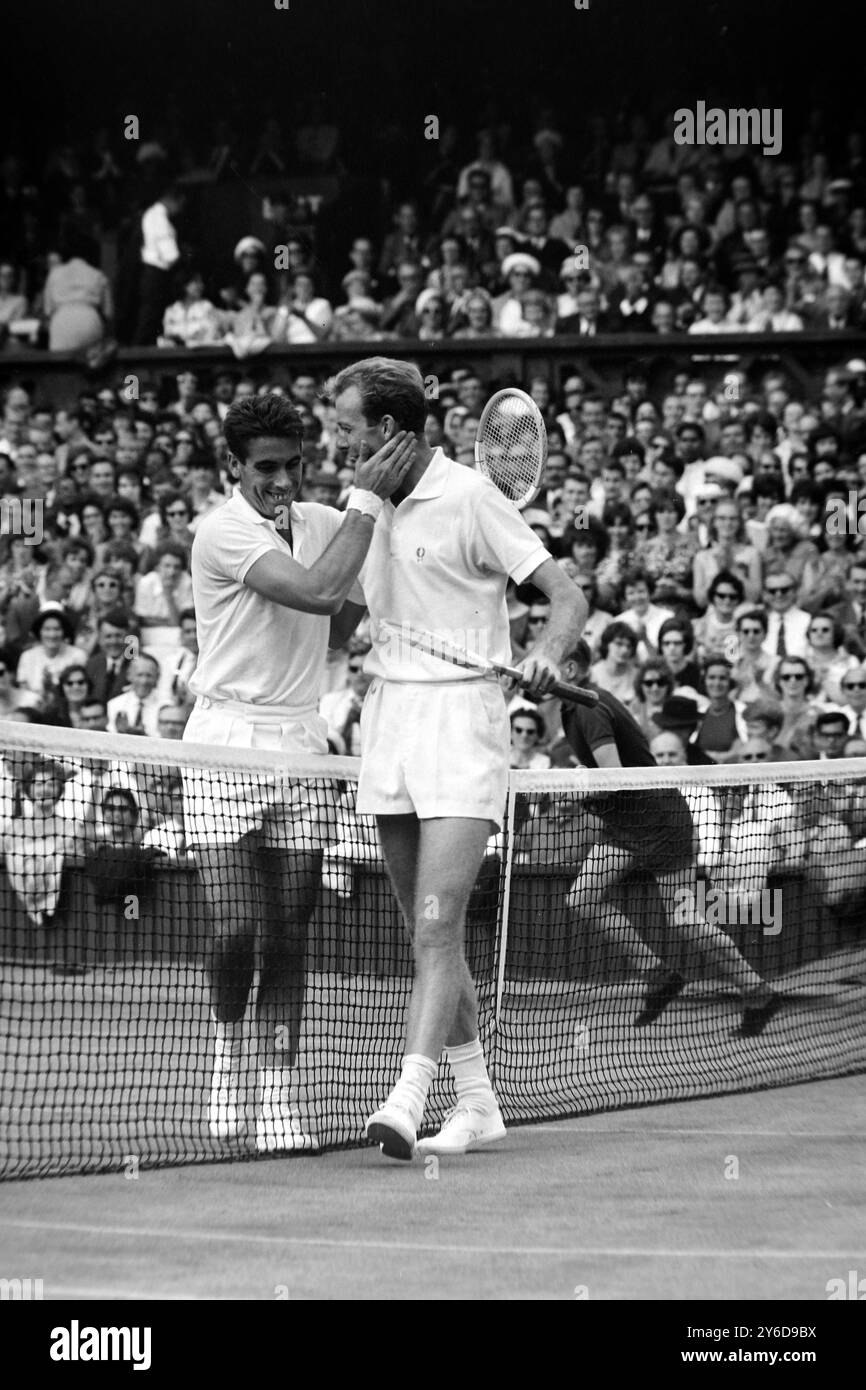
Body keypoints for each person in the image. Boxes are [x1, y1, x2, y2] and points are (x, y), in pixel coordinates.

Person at [330, 356, 585, 1160]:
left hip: (462, 721)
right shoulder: (360, 505)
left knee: (439, 927)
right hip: (390, 722)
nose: (338, 442)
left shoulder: (473, 499)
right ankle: (478, 1101)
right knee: (426, 933)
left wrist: (547, 651)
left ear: (390, 430)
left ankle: (407, 1098)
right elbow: (337, 623)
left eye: (347, 428)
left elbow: (568, 596)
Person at [183, 392, 417, 1153]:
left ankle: (279, 1089)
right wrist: (365, 504)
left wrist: (375, 607)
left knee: (289, 930)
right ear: (233, 468)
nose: (283, 480)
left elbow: (338, 616)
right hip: (225, 740)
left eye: (293, 465)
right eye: (266, 468)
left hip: (303, 740)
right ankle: (226, 1055)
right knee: (237, 929)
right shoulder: (219, 532)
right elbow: (318, 590)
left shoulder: (321, 521)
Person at [560, 640, 787, 1038]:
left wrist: (578, 791)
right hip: (624, 826)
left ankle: (758, 993)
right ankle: (658, 972)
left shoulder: (588, 706)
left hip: (661, 822)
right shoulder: (571, 705)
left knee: (686, 920)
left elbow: (615, 779)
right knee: (582, 897)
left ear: (570, 670)